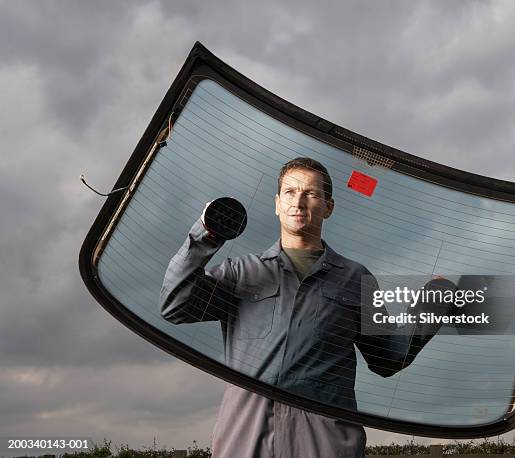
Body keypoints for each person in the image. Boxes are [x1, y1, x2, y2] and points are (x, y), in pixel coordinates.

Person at [160, 157, 452, 458]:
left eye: (311, 193)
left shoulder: (355, 278)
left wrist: (435, 300)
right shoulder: (240, 273)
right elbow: (175, 305)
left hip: (326, 445)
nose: (298, 201)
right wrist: (208, 233)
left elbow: (389, 356)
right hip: (246, 442)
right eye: (289, 192)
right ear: (276, 204)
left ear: (328, 206)